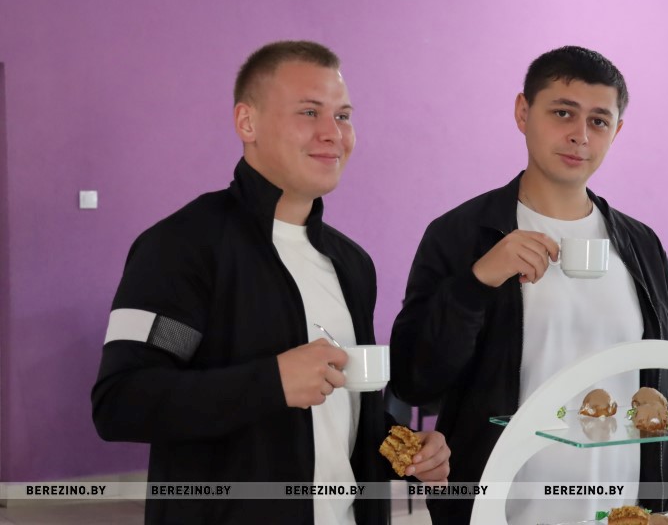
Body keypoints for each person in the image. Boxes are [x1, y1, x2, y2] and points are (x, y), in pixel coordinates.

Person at [92, 40, 450, 525]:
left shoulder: (351, 264)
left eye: (343, 116)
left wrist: (403, 448)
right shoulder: (183, 247)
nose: (332, 133)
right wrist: (271, 382)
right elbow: (122, 402)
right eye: (309, 112)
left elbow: (340, 419)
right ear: (247, 122)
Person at [390, 46, 668, 524]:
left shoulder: (641, 245)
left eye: (598, 121)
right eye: (562, 113)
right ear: (522, 112)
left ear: (616, 131)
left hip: (627, 513)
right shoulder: (460, 235)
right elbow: (415, 380)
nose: (580, 135)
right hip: (498, 511)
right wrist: (477, 282)